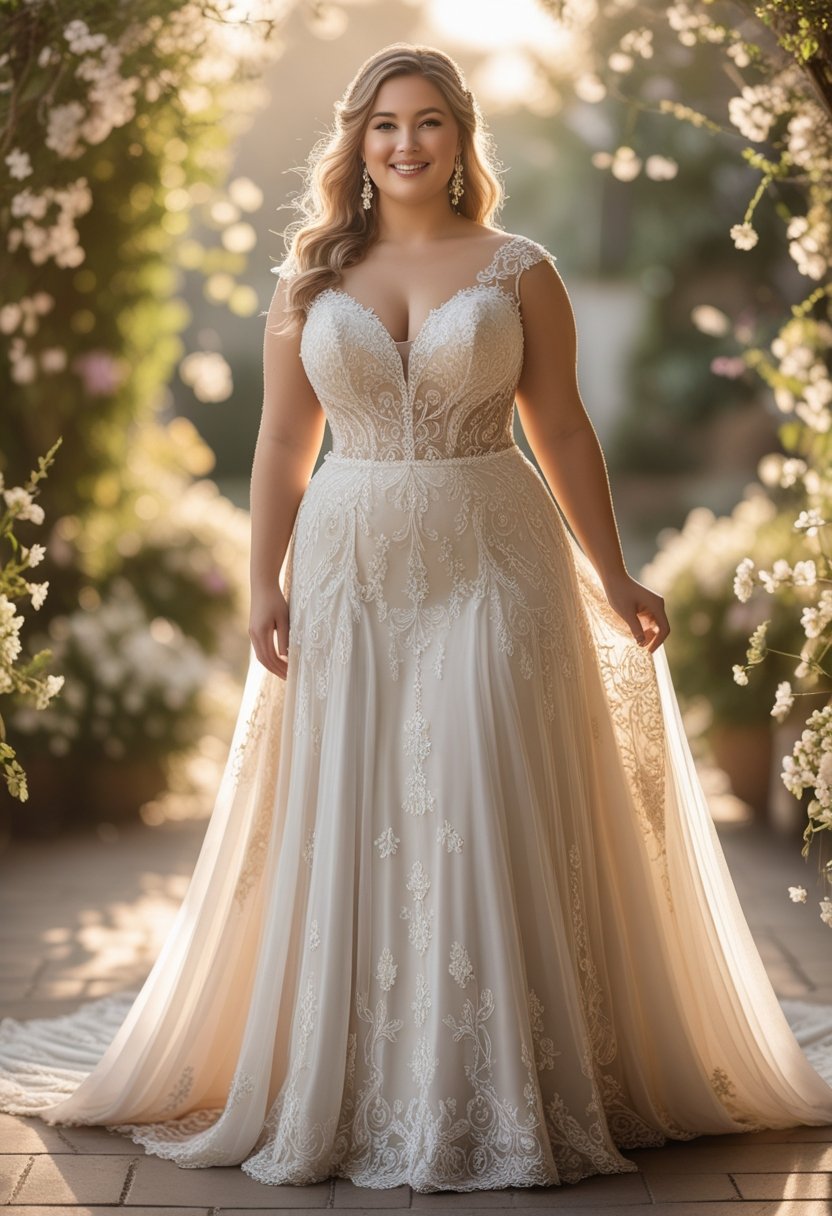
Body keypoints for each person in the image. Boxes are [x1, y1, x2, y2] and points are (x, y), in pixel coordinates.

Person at [1, 40, 832, 1196]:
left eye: (428, 120)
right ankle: (374, 1070)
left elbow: (562, 428)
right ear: (357, 140)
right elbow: (281, 444)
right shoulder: (308, 278)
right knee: (370, 799)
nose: (406, 142)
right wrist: (263, 580)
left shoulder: (519, 269)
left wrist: (613, 572)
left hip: (495, 551)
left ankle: (502, 1079)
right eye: (385, 123)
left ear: (459, 138)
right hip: (350, 567)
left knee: (479, 781)